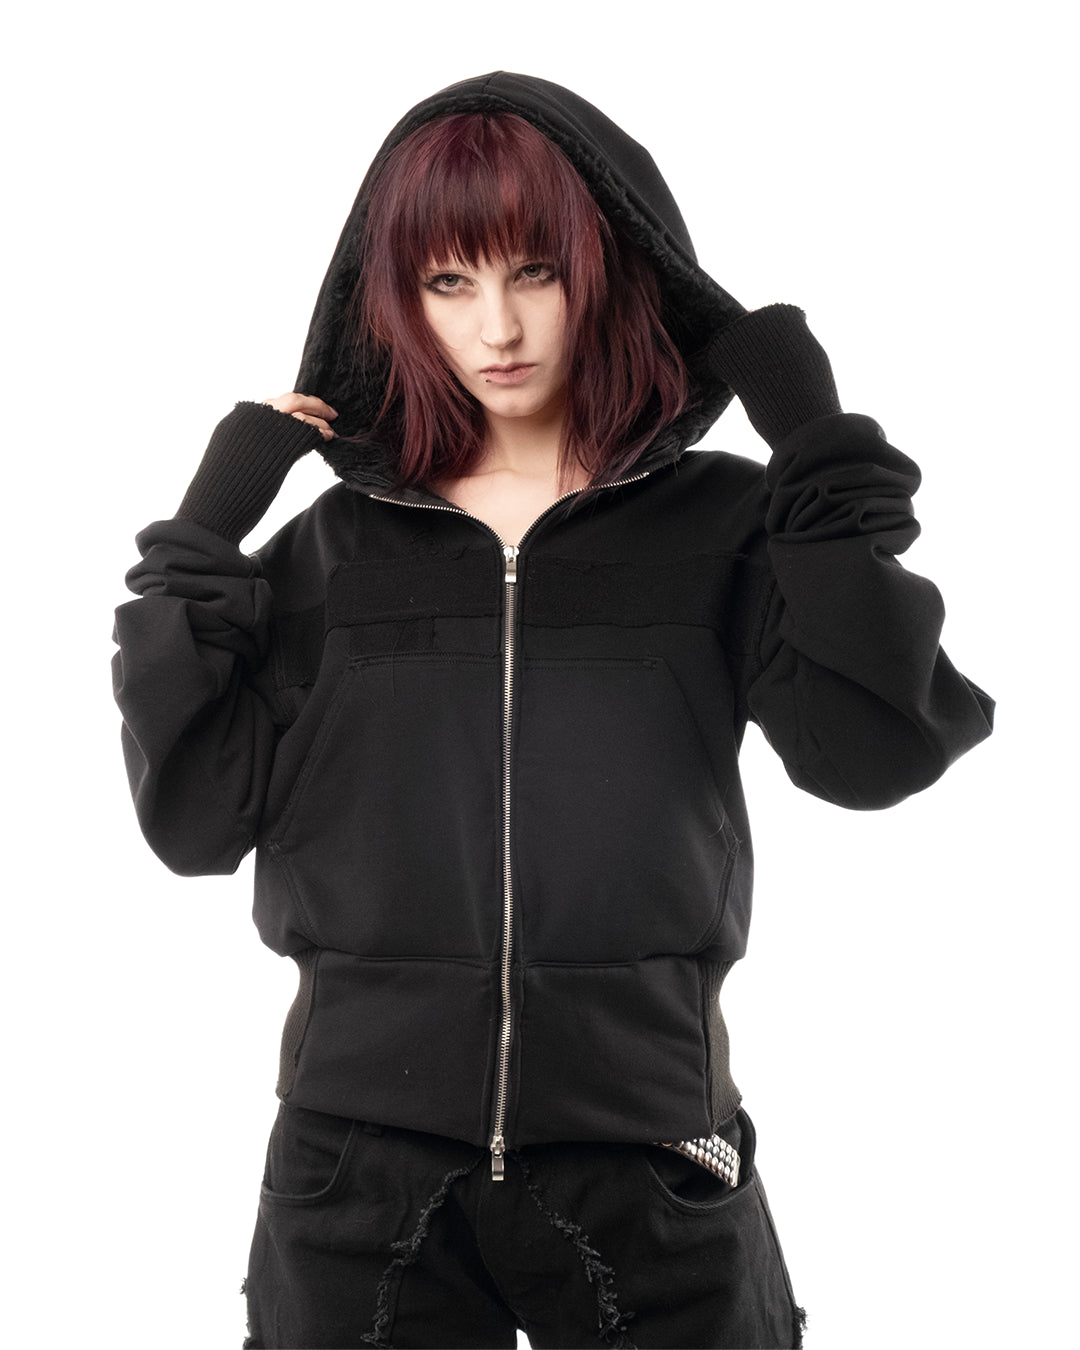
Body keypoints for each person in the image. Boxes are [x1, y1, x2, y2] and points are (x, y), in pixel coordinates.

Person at [112, 71, 994, 1350]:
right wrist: (203, 540)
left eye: (536, 271)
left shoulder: (720, 528)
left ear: (607, 270)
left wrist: (810, 437)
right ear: (396, 300)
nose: (499, 327)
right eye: (449, 282)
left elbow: (877, 748)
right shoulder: (333, 553)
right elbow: (195, 820)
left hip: (652, 1157)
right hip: (358, 1174)